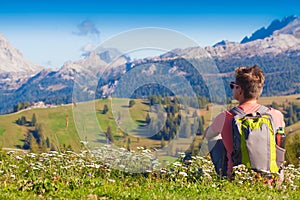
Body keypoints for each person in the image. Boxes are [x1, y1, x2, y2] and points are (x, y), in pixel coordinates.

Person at [204, 65, 285, 177]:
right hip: (272, 179)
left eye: (233, 86)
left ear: (240, 90)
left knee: (214, 138)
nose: (232, 89)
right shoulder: (276, 115)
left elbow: (208, 135)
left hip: (237, 179)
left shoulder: (226, 117)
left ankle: (225, 175)